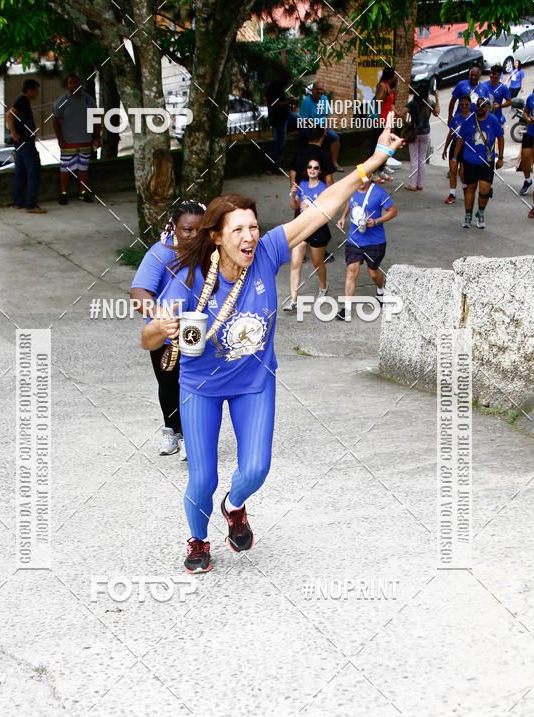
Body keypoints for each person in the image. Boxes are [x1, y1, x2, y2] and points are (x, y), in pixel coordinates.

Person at [142, 124, 403, 573]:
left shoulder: (265, 252)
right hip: (199, 385)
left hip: (254, 382)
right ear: (218, 237)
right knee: (201, 477)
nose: (249, 236)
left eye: (253, 227)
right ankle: (199, 539)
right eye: (238, 229)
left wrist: (371, 163)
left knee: (256, 469)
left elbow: (318, 211)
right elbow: (148, 339)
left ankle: (235, 505)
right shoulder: (188, 280)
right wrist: (161, 326)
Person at [132, 202, 205, 458]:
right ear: (174, 227)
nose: (194, 236)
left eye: (200, 230)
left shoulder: (211, 252)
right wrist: (160, 315)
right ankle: (172, 431)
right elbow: (139, 293)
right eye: (187, 230)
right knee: (168, 384)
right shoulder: (160, 253)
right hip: (165, 332)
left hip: (199, 330)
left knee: (194, 383)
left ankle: (190, 435)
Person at [336, 179, 397, 314]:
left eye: (366, 176)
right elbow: (349, 202)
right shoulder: (352, 189)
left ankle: (381, 290)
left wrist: (376, 221)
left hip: (375, 241)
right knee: (352, 270)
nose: (362, 180)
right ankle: (346, 309)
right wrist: (343, 217)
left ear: (370, 177)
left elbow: (393, 211)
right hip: (355, 240)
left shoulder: (379, 192)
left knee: (373, 272)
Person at [284, 159, 331, 311]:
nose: (312, 169)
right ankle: (293, 300)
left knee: (317, 263)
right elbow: (295, 206)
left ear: (320, 171)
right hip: (303, 227)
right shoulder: (302, 185)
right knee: (295, 263)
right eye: (310, 167)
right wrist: (292, 196)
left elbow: (328, 212)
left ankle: (323, 288)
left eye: (315, 168)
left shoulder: (324, 188)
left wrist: (312, 208)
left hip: (318, 228)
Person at [453, 95, 504, 229]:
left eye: (483, 106)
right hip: (470, 159)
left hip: (487, 161)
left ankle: (480, 212)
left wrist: (501, 158)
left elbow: (501, 137)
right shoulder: (469, 119)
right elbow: (460, 139)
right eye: (478, 106)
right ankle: (468, 215)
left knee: (484, 190)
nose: (480, 109)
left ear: (488, 107)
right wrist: (454, 158)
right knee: (470, 188)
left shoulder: (493, 120)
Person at [52, 74, 100, 204]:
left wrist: (96, 137)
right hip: (68, 143)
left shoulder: (88, 100)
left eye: (76, 82)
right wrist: (60, 139)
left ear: (80, 83)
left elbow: (96, 118)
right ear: (67, 85)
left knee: (83, 168)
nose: (74, 85)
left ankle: (82, 193)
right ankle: (63, 193)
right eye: (71, 83)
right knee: (65, 168)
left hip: (85, 140)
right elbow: (55, 121)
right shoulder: (62, 101)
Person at [6, 78, 46, 214]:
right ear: (30, 90)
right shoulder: (22, 100)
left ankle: (18, 202)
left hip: (21, 143)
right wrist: (14, 134)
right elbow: (9, 115)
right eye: (36, 91)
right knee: (33, 171)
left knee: (20, 173)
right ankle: (31, 204)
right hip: (24, 142)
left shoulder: (24, 101)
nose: (37, 94)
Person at [298, 82, 342, 170]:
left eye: (321, 89)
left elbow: (327, 115)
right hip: (309, 127)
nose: (319, 91)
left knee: (335, 138)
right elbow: (305, 119)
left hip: (322, 126)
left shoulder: (324, 98)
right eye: (317, 89)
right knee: (314, 140)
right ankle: (311, 165)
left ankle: (335, 163)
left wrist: (325, 128)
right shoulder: (306, 101)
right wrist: (317, 128)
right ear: (312, 90)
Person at [405, 82, 440, 191]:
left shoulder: (413, 103)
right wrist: (437, 98)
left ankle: (413, 185)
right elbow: (437, 113)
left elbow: (402, 112)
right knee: (422, 159)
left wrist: (406, 122)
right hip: (426, 132)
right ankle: (420, 184)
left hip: (414, 133)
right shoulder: (429, 103)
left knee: (414, 159)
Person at [442, 94, 472, 204]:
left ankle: (465, 188)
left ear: (470, 105)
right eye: (462, 104)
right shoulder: (456, 118)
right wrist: (445, 148)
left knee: (463, 172)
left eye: (466, 104)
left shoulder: (472, 118)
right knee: (453, 170)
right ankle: (452, 194)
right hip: (455, 145)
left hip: (466, 147)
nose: (464, 106)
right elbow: (450, 134)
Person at [266, 78, 299, 175]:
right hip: (278, 119)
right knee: (280, 142)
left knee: (303, 123)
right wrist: (289, 101)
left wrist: (291, 101)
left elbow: (283, 102)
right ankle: (272, 166)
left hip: (286, 115)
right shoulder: (273, 88)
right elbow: (274, 104)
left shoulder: (281, 88)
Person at [289, 126, 335, 191]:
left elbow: (292, 174)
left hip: (301, 192)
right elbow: (329, 181)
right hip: (318, 192)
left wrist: (294, 191)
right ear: (322, 137)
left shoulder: (298, 152)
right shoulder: (325, 154)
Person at [373, 67, 397, 183]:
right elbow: (377, 100)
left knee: (386, 147)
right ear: (391, 76)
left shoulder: (388, 86)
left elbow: (390, 105)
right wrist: (389, 93)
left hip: (387, 120)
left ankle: (381, 170)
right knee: (377, 147)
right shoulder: (382, 86)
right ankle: (372, 172)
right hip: (380, 120)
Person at [483, 64, 511, 129]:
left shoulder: (503, 88)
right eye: (490, 73)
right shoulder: (483, 85)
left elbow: (509, 101)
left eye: (494, 74)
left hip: (497, 118)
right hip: (484, 118)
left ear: (499, 75)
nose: (491, 75)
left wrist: (500, 105)